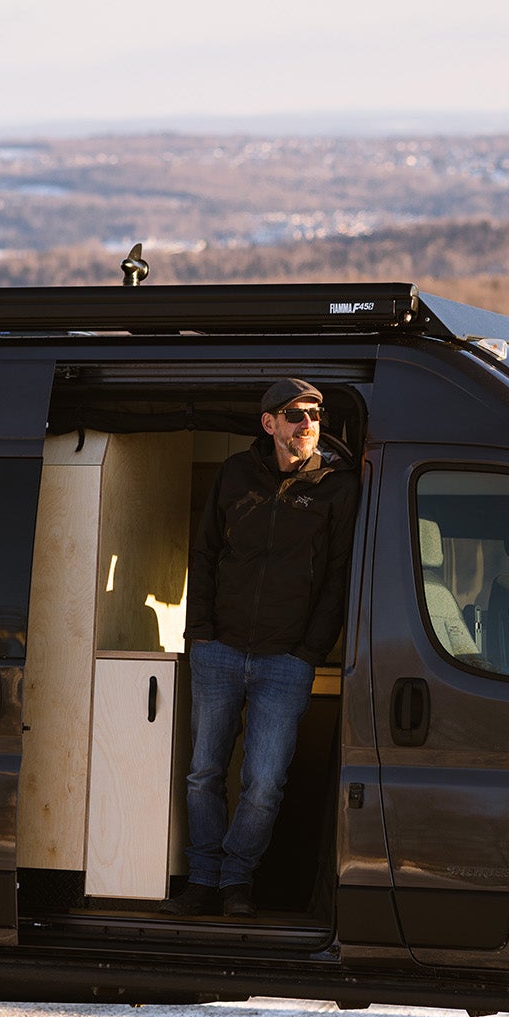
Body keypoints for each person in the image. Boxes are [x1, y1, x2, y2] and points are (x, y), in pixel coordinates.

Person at [162, 379, 359, 918]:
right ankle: (202, 881)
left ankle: (235, 882)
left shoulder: (338, 486)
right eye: (295, 415)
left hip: (285, 661)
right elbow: (202, 557)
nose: (308, 424)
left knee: (264, 782)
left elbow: (340, 575)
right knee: (204, 773)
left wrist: (309, 651)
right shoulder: (234, 475)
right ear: (269, 423)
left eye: (316, 414)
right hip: (219, 651)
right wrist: (199, 633)